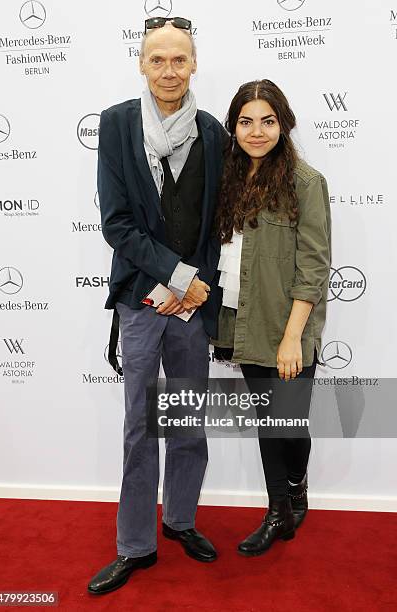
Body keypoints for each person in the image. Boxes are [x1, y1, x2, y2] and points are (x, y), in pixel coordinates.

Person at [88, 17, 225, 595]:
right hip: (142, 301)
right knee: (141, 427)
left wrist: (196, 286)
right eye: (157, 60)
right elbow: (117, 223)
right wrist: (174, 276)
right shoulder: (118, 124)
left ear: (194, 64)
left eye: (179, 60)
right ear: (142, 65)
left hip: (191, 304)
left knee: (187, 419)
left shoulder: (215, 132)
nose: (169, 71)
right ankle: (135, 545)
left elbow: (217, 224)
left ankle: (182, 520)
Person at [213, 79, 331, 555]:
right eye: (246, 121)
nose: (256, 131)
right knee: (269, 421)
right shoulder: (228, 180)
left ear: (283, 125)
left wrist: (292, 338)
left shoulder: (306, 183)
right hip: (243, 316)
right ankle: (279, 512)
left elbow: (314, 266)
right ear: (234, 127)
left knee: (288, 422)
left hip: (287, 326)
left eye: (267, 120)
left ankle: (296, 485)